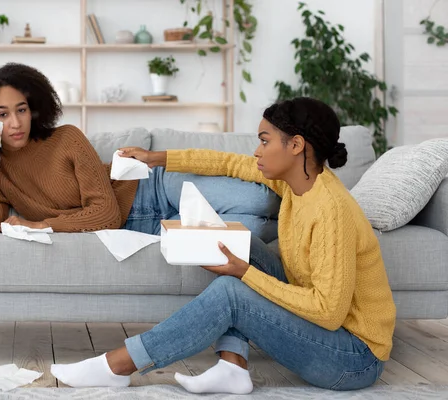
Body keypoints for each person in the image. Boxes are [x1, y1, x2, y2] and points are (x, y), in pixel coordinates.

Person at [49, 97, 397, 393]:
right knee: (235, 244)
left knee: (233, 290)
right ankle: (232, 367)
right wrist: (158, 159)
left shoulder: (330, 210)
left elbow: (328, 312)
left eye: (265, 141)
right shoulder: (298, 182)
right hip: (328, 332)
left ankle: (118, 366)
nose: (257, 151)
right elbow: (226, 162)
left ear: (295, 145)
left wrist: (245, 274)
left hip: (353, 357)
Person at [0, 62, 280, 241]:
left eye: (21, 110)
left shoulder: (66, 138)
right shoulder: (0, 175)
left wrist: (47, 224)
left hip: (154, 186)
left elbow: (105, 214)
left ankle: (313, 207)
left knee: (261, 201)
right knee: (262, 230)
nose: (14, 123)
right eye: (2, 115)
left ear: (34, 108)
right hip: (145, 229)